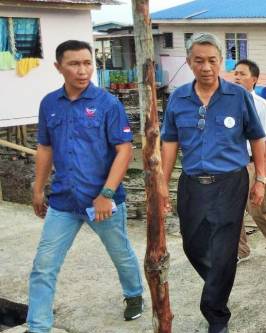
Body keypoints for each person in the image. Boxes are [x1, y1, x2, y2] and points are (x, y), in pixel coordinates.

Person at [28, 40, 144, 332]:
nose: (83, 70)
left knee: (120, 253)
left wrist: (106, 194)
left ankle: (134, 294)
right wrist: (38, 187)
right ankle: (38, 326)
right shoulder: (49, 104)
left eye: (87, 63)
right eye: (74, 64)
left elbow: (124, 150)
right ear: (58, 67)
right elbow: (44, 148)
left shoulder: (107, 103)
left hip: (101, 201)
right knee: (44, 265)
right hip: (64, 201)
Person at [160, 33, 266, 333]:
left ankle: (216, 315)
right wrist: (161, 184)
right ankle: (219, 282)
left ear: (221, 62)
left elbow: (257, 137)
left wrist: (260, 178)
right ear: (189, 62)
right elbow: (169, 143)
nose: (206, 67)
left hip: (230, 184)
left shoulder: (238, 95)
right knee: (193, 247)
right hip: (192, 184)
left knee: (223, 250)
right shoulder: (178, 98)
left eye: (212, 60)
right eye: (199, 61)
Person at [232, 59, 266, 262]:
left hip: (252, 164)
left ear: (254, 79)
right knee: (232, 210)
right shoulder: (226, 103)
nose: (237, 77)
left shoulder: (263, 107)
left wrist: (264, 174)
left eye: (242, 74)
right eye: (235, 73)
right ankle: (241, 250)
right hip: (231, 164)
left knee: (257, 210)